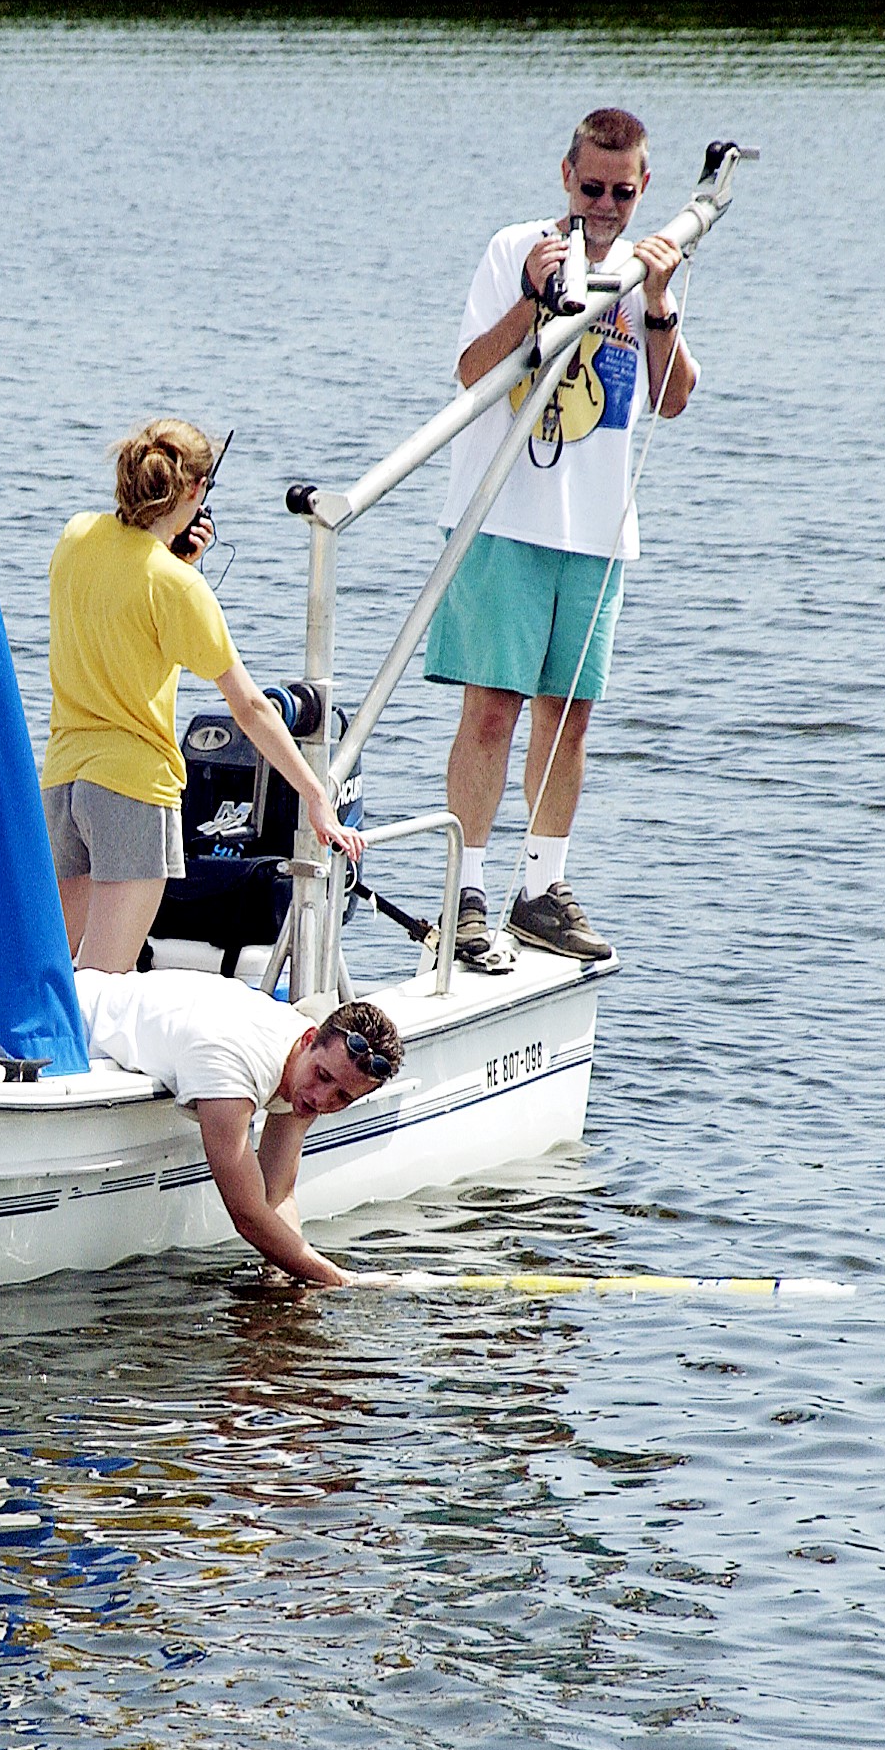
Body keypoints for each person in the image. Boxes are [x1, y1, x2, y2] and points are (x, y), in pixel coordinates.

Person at [425, 107, 698, 967]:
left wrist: (658, 305)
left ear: (644, 185)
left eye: (622, 190)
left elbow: (672, 398)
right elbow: (473, 372)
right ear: (565, 176)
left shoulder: (644, 268)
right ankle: (463, 892)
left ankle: (540, 887)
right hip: (505, 520)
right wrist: (529, 300)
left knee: (570, 718)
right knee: (491, 712)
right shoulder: (518, 249)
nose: (605, 206)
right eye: (592, 188)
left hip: (597, 534)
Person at [44, 418, 361, 972]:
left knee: (50, 971)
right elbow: (251, 707)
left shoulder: (75, 537)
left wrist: (175, 556)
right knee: (102, 983)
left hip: (63, 783)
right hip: (131, 790)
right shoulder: (176, 585)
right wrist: (315, 795)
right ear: (195, 489)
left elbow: (124, 609)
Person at [77, 968, 404, 1286]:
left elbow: (277, 1196)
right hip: (69, 1020)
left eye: (343, 1097)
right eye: (323, 1076)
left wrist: (287, 1279)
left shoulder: (309, 1074)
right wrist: (340, 1279)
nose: (321, 1099)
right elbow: (247, 1215)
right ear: (308, 1039)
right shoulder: (233, 1061)